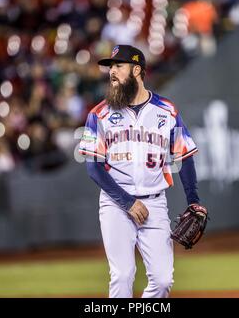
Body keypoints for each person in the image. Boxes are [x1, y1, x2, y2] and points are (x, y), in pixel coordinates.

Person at [79, 45, 206, 298]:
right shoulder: (99, 114)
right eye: (110, 67)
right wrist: (126, 202)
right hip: (116, 204)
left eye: (118, 66)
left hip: (155, 204)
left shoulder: (166, 111)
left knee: (162, 281)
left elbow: (184, 155)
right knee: (123, 275)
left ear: (137, 70)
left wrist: (193, 200)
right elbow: (93, 168)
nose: (112, 72)